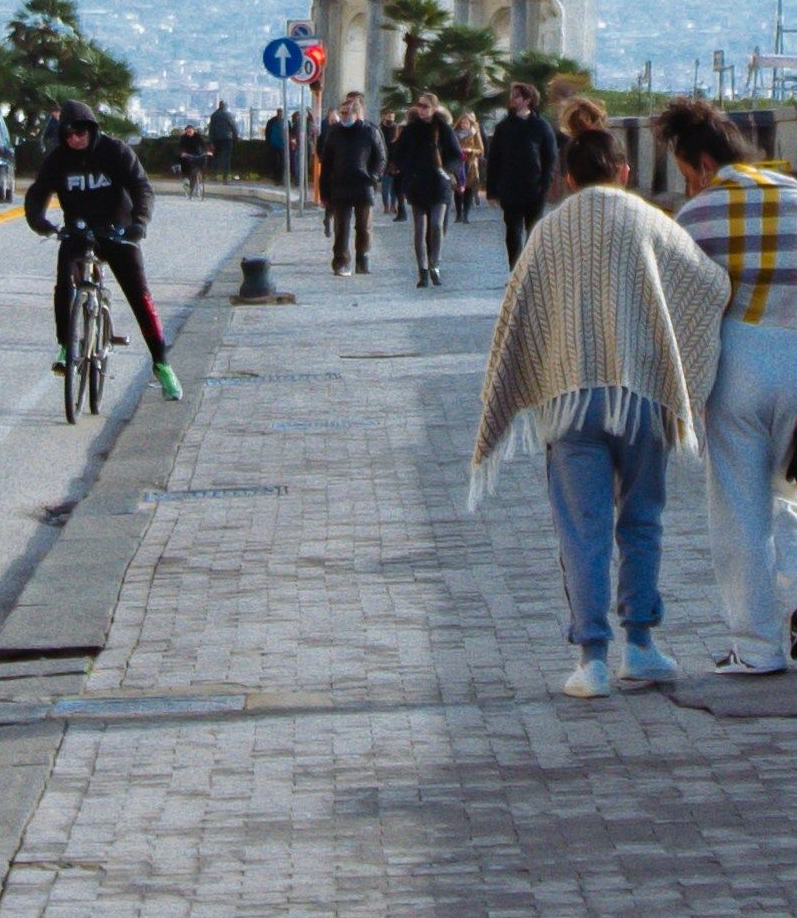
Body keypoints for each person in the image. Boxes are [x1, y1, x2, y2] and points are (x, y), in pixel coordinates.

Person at [470, 107, 723, 698]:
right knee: (641, 520)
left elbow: (518, 313)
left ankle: (592, 658)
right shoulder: (649, 220)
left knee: (581, 527)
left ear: (567, 179)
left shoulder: (548, 231)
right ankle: (642, 643)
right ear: (626, 171)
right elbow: (707, 284)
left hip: (569, 401)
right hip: (641, 399)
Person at [660, 97, 797, 676]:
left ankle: (756, 644)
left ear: (700, 162)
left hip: (736, 362)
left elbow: (680, 303)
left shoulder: (697, 216)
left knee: (738, 507)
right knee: (788, 491)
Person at [20, 101, 181, 401]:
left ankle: (162, 364)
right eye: (68, 135)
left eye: (80, 133)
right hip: (79, 231)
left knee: (139, 295)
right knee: (63, 283)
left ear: (91, 130)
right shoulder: (58, 159)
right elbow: (38, 192)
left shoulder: (115, 151)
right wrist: (40, 221)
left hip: (117, 230)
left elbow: (141, 187)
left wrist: (139, 223)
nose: (75, 140)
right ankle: (67, 345)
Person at [384, 93, 460, 286]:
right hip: (417, 184)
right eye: (419, 105)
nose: (422, 109)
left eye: (426, 106)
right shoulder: (411, 130)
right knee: (420, 229)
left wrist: (445, 169)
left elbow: (456, 156)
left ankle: (435, 264)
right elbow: (398, 153)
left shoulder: (443, 129)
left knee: (436, 225)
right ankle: (423, 270)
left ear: (434, 108)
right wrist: (405, 168)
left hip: (439, 184)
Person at [481, 83, 556, 264]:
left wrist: (545, 184)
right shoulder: (503, 127)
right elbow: (494, 160)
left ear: (527, 100)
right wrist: (491, 191)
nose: (512, 99)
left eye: (516, 96)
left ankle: (532, 270)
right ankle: (515, 270)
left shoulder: (541, 126)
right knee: (512, 232)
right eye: (512, 96)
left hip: (535, 188)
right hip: (510, 188)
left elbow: (550, 158)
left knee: (533, 232)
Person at [310, 90, 382, 276]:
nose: (343, 117)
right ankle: (341, 262)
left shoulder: (370, 131)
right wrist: (324, 193)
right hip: (340, 187)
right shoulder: (334, 133)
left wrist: (373, 177)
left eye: (347, 113)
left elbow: (380, 158)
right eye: (341, 113)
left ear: (357, 114)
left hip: (363, 186)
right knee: (341, 227)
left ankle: (362, 258)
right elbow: (326, 164)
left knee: (364, 227)